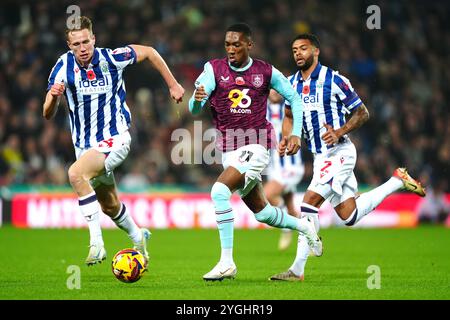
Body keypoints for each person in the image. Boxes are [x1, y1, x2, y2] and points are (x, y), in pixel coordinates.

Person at [270, 34, 426, 281]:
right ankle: (397, 180)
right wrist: (289, 137)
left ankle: (298, 268)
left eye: (303, 48)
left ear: (316, 51)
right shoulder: (291, 84)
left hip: (340, 152)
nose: (298, 53)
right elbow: (288, 115)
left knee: (308, 203)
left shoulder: (335, 80)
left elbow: (362, 113)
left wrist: (340, 131)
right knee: (349, 216)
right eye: (294, 50)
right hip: (321, 157)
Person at [43, 16, 185, 266]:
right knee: (109, 206)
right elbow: (47, 113)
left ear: (94, 39)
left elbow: (150, 52)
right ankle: (138, 235)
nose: (82, 48)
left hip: (115, 138)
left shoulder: (112, 58)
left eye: (86, 41)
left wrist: (172, 85)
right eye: (76, 44)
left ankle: (97, 244)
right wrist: (54, 97)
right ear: (69, 45)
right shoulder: (62, 67)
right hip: (85, 147)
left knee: (75, 175)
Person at [188, 23, 322, 282]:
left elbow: (295, 98)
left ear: (249, 44)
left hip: (256, 146)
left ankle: (227, 263)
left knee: (218, 192)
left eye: (236, 44)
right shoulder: (212, 69)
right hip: (229, 150)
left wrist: (295, 132)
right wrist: (196, 98)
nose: (230, 49)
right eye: (227, 44)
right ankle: (305, 226)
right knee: (263, 212)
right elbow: (195, 109)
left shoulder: (265, 71)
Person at [264, 89, 305, 250]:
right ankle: (311, 238)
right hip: (275, 165)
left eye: (276, 89)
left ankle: (286, 227)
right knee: (292, 208)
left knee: (267, 194)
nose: (274, 92)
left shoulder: (290, 108)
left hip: (291, 165)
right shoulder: (261, 107)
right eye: (271, 89)